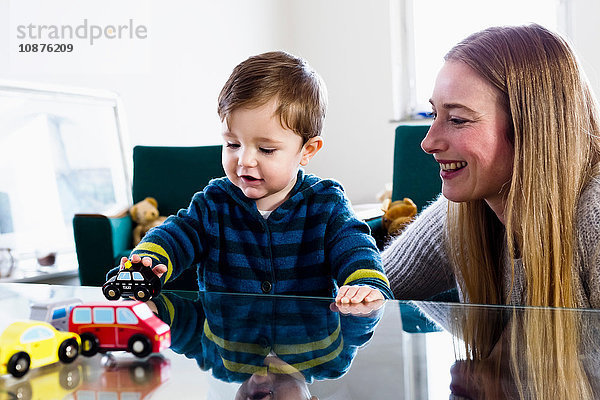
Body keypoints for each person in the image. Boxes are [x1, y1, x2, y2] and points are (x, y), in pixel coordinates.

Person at [383, 24, 600, 400]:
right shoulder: (462, 212)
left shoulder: (594, 215)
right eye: (434, 114)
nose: (428, 141)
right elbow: (373, 287)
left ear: (531, 128)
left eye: (458, 119)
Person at [115, 51, 392, 303]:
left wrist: (365, 284)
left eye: (266, 149)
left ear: (307, 150)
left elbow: (357, 250)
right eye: (233, 144)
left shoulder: (327, 204)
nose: (244, 160)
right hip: (227, 353)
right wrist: (147, 262)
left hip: (310, 355)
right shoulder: (214, 203)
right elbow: (175, 235)